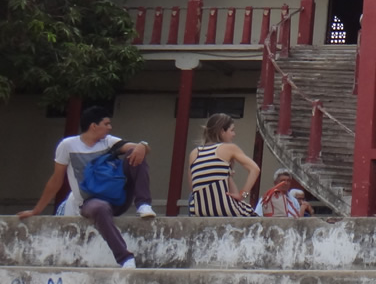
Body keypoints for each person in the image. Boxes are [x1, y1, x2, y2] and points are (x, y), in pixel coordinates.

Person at [17, 106, 156, 268]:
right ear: (93, 126)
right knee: (100, 207)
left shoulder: (108, 142)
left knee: (136, 154)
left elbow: (133, 147)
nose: (110, 127)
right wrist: (37, 210)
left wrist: (142, 146)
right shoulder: (68, 146)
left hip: (118, 197)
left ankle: (143, 204)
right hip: (91, 203)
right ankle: (125, 258)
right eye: (106, 124)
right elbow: (56, 180)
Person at [188, 114, 261, 217]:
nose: (234, 134)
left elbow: (193, 186)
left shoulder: (194, 153)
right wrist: (243, 195)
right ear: (222, 131)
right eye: (232, 130)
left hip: (199, 209)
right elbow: (255, 169)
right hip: (224, 207)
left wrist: (227, 176)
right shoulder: (229, 148)